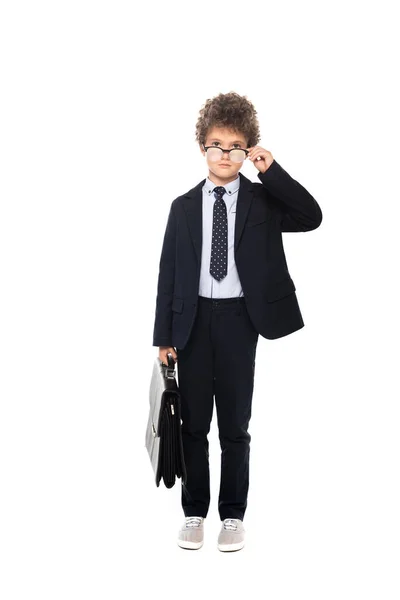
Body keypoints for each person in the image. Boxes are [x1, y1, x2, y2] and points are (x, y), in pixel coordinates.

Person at [152, 91, 322, 552]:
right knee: (192, 424)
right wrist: (163, 337)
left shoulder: (262, 202)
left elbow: (311, 216)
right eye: (215, 144)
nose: (224, 155)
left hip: (239, 322)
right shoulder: (183, 207)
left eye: (235, 146)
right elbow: (169, 273)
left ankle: (232, 514)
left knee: (234, 424)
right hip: (191, 323)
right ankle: (193, 512)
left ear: (248, 150)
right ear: (201, 147)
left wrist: (272, 171)